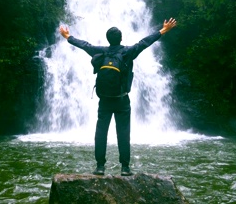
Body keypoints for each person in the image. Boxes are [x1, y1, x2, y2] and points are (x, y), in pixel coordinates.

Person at [59, 18, 177, 176]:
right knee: (123, 133)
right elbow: (145, 42)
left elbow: (84, 45)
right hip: (122, 100)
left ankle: (100, 167)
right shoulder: (128, 52)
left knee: (101, 133)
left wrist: (68, 36)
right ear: (121, 39)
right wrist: (164, 30)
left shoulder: (100, 51)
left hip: (105, 100)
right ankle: (125, 168)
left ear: (108, 39)